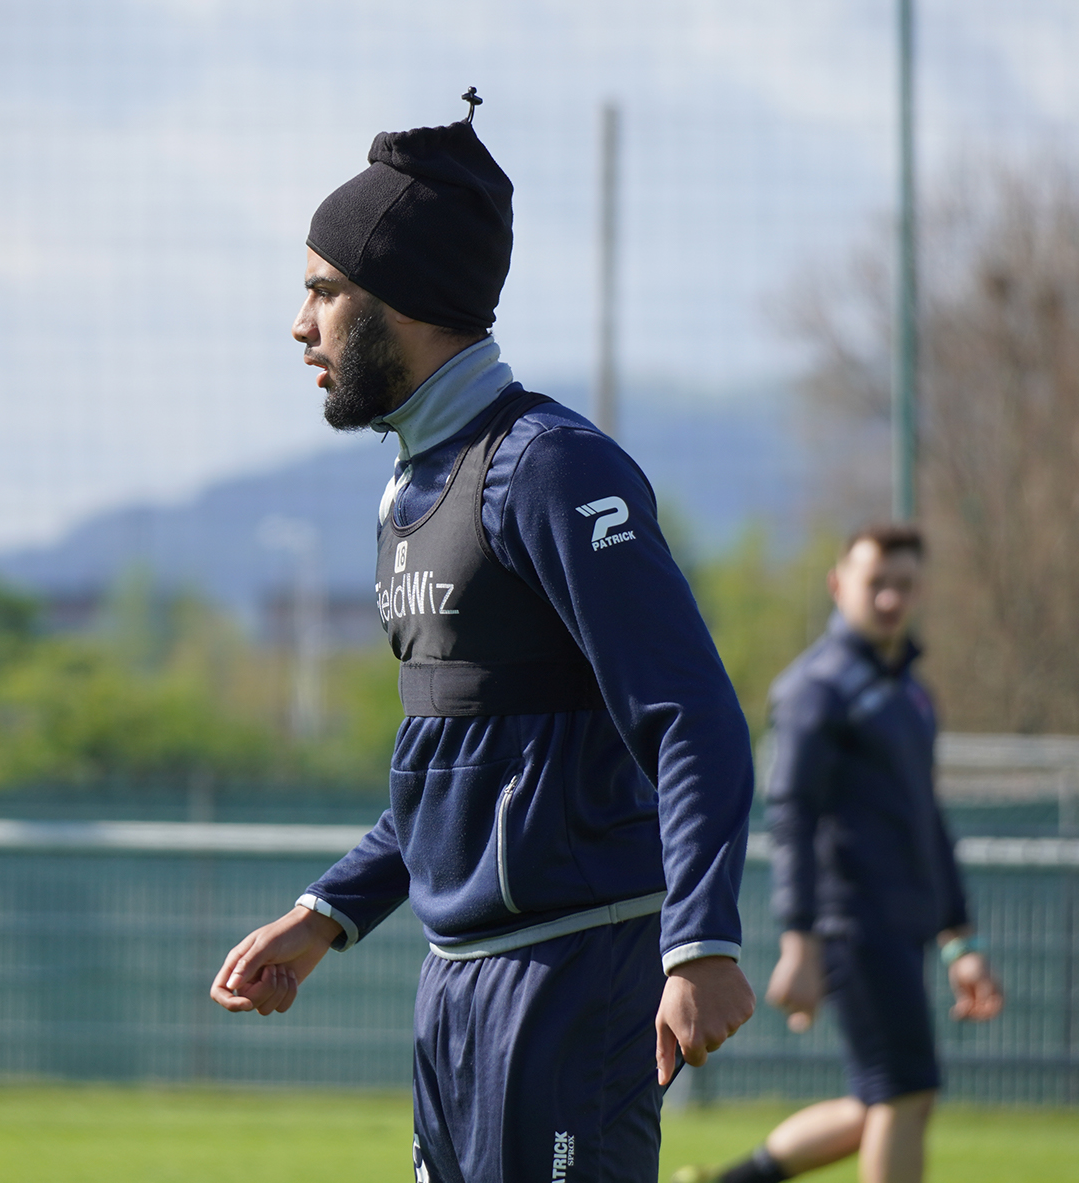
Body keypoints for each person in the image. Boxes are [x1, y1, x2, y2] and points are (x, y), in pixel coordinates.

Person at [208, 93, 757, 1183]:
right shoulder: (409, 492)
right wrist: (328, 913)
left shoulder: (550, 466)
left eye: (323, 291)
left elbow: (688, 714)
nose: (298, 323)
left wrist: (701, 941)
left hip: (570, 977)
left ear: (402, 300)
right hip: (456, 987)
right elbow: (457, 766)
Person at [675, 525, 1004, 1183]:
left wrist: (958, 939)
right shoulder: (816, 689)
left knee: (883, 1098)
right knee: (904, 1095)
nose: (890, 599)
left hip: (903, 924)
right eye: (876, 583)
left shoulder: (911, 693)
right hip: (852, 923)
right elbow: (791, 815)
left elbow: (926, 821)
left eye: (903, 585)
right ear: (838, 585)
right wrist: (801, 942)